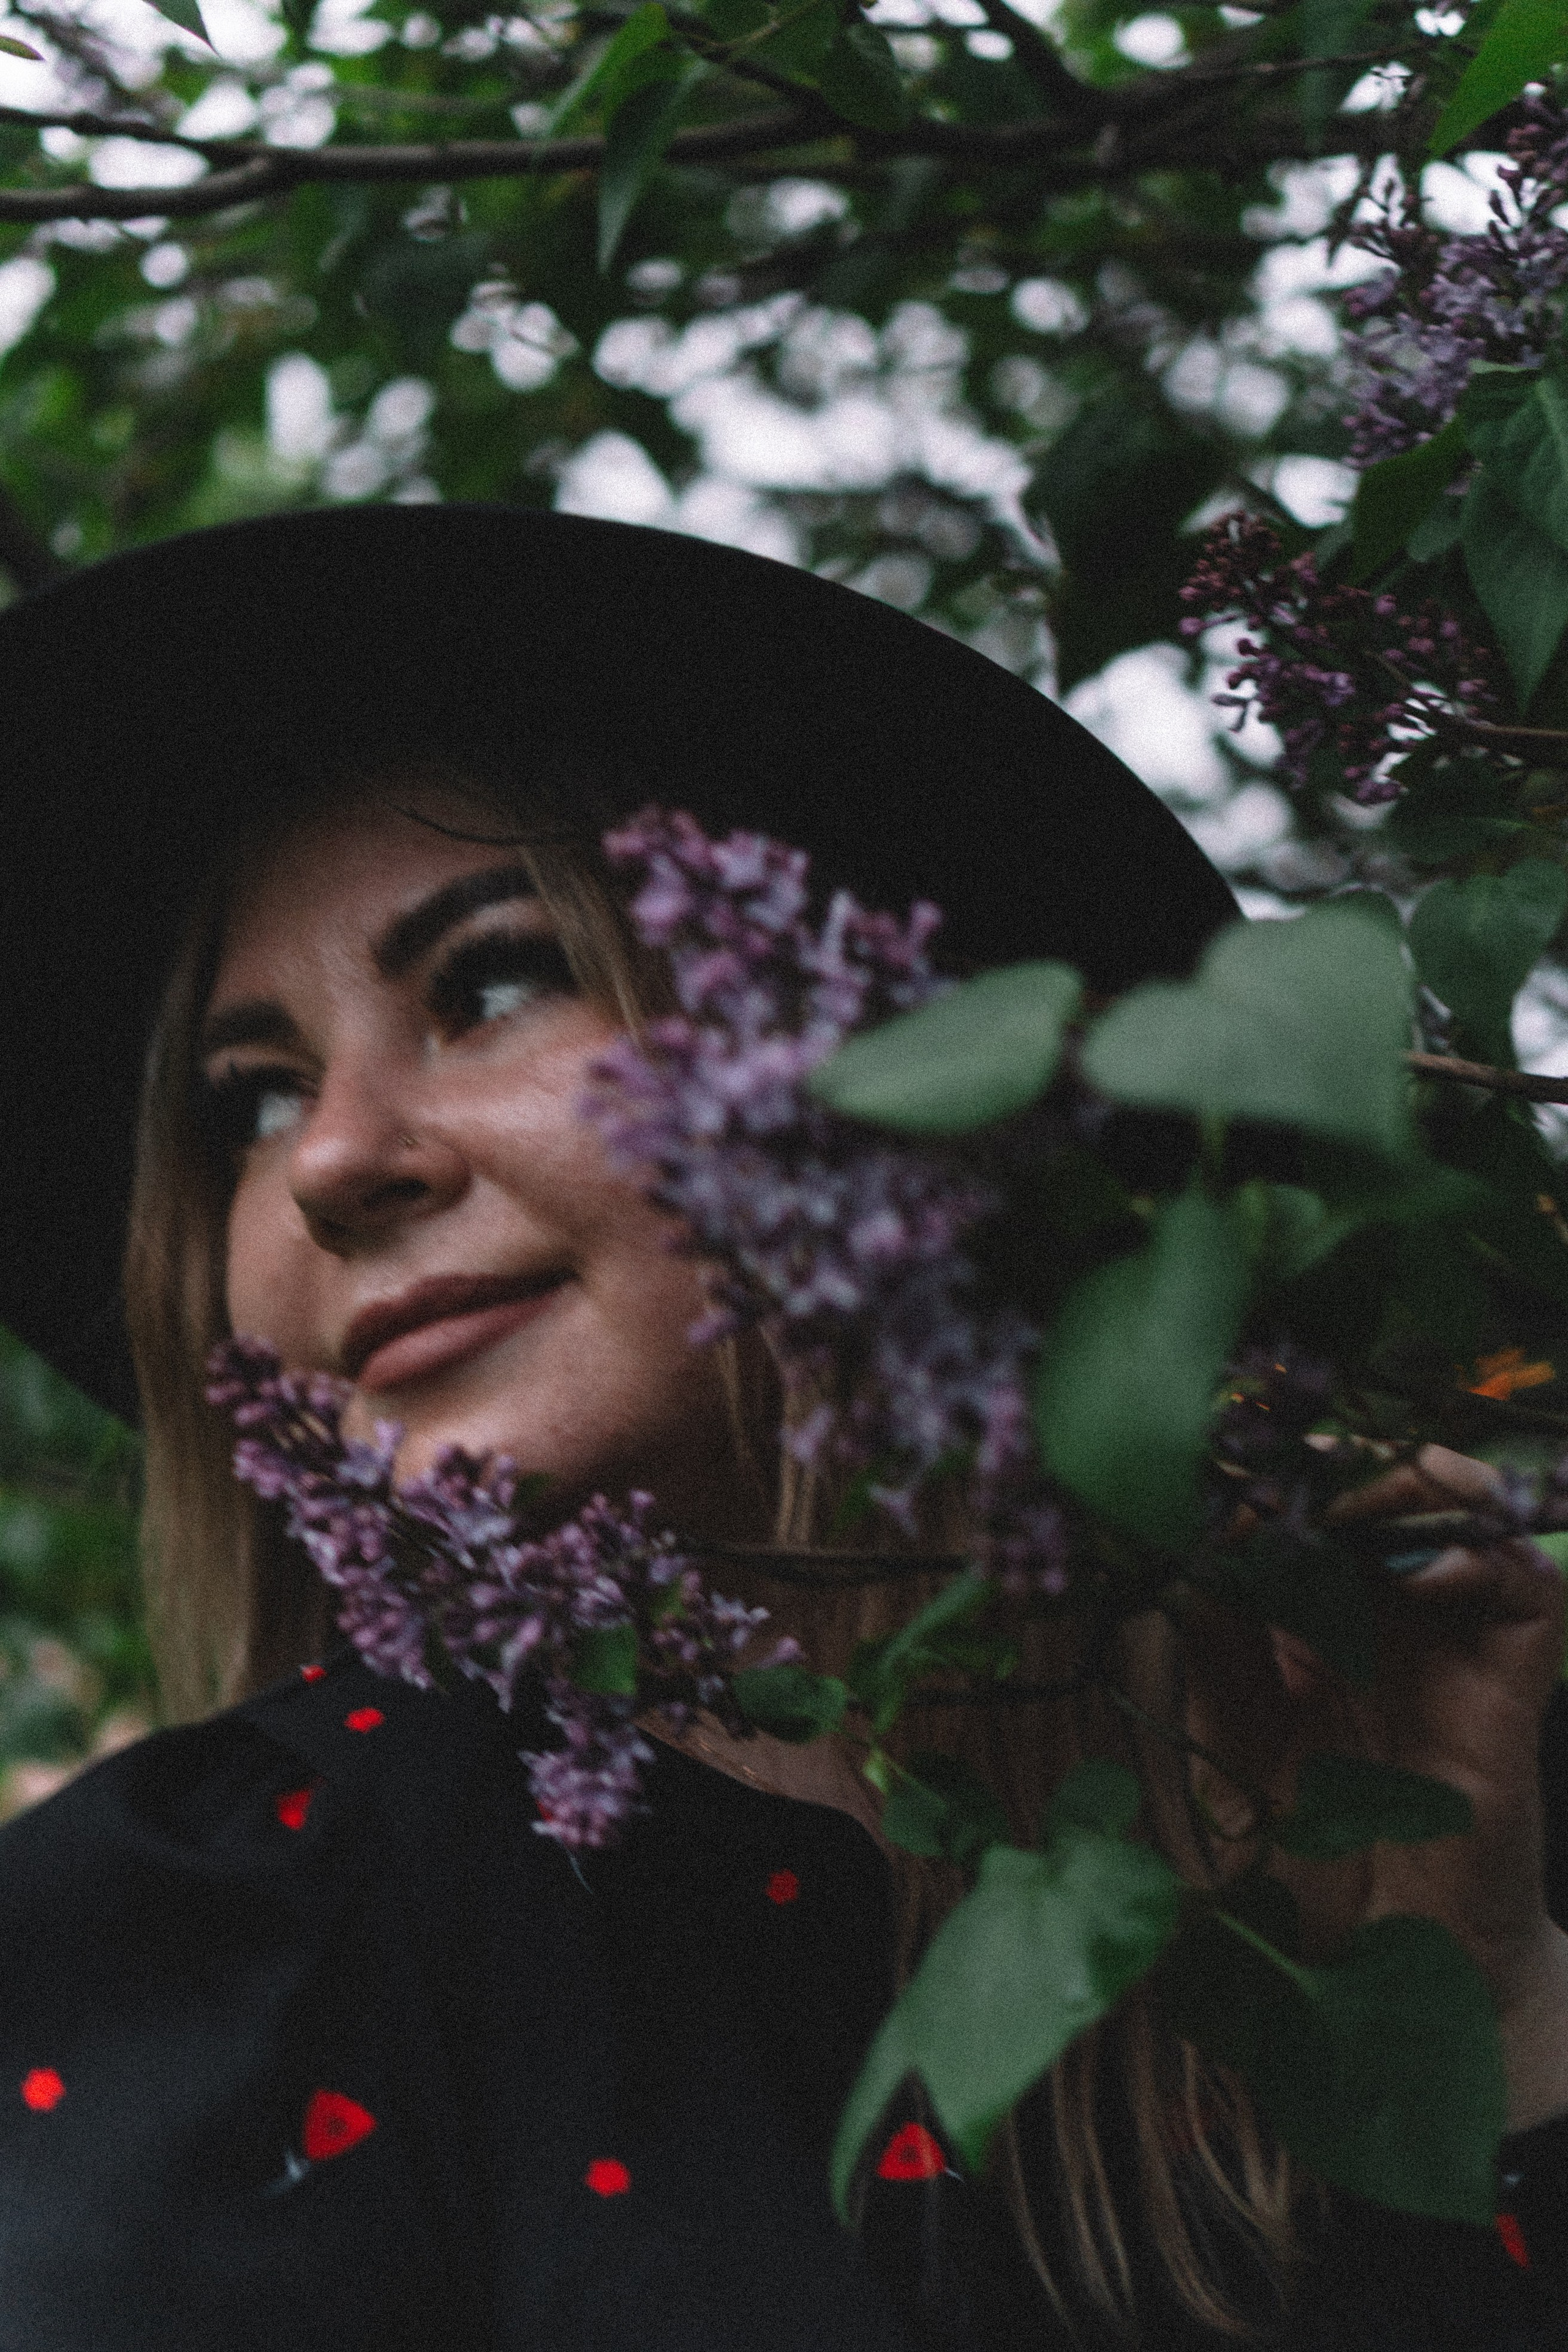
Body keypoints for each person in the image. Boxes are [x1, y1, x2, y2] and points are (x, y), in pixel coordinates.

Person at [0, 505, 1562, 2352]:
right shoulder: (206, 1938)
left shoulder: (1419, 1783)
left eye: (491, 978)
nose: (333, 1160)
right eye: (246, 1106)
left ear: (873, 1064)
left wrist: (1474, 1998)